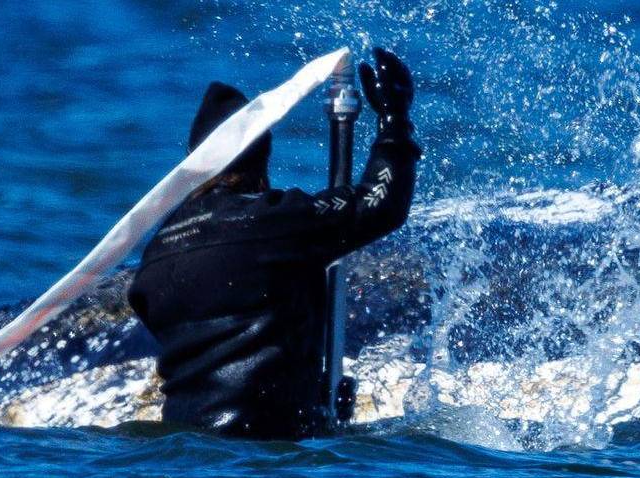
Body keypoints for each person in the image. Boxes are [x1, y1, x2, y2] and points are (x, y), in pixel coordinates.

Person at [127, 49, 420, 440]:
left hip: (183, 448)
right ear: (260, 160)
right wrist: (394, 120)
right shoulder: (268, 222)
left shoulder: (157, 253)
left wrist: (316, 396)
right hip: (260, 450)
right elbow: (379, 204)